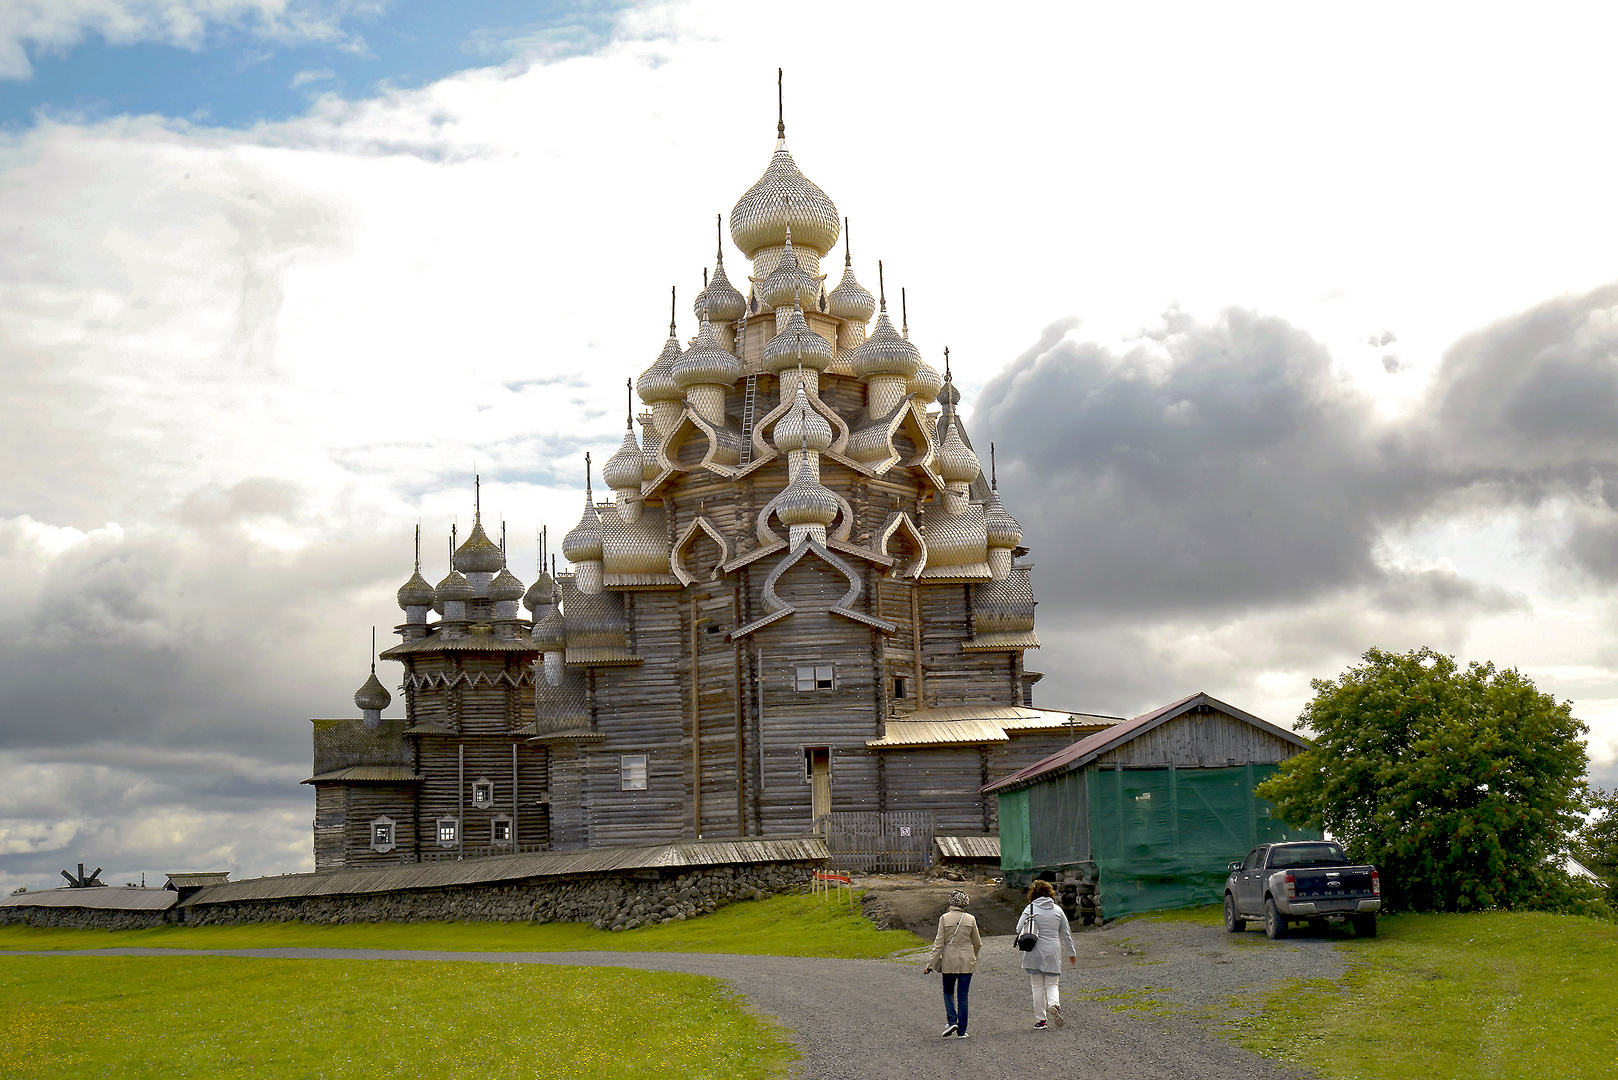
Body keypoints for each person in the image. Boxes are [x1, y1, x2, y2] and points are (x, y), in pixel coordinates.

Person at [1016, 879, 1076, 1029]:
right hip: (1052, 951)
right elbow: (1066, 933)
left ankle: (1041, 1020)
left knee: (1037, 986)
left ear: (1033, 894)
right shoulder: (1057, 910)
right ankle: (1054, 1004)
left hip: (1033, 950)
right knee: (1052, 984)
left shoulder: (1029, 908)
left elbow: (1018, 928)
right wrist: (1071, 953)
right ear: (1050, 893)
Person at [922, 889, 982, 1038]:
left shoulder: (944, 918)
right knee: (963, 996)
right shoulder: (970, 919)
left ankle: (952, 1021)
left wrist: (931, 964)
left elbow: (938, 944)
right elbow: (978, 942)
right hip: (967, 960)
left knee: (948, 992)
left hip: (949, 960)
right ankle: (962, 1031)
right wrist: (973, 956)